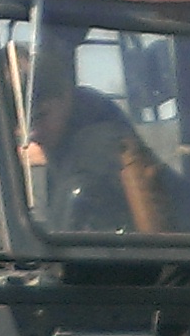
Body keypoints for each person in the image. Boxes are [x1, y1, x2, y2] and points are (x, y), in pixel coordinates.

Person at [23, 32, 173, 233]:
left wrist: (4, 163)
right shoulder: (66, 131)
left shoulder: (98, 137)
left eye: (40, 117)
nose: (33, 134)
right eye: (25, 123)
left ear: (66, 96)